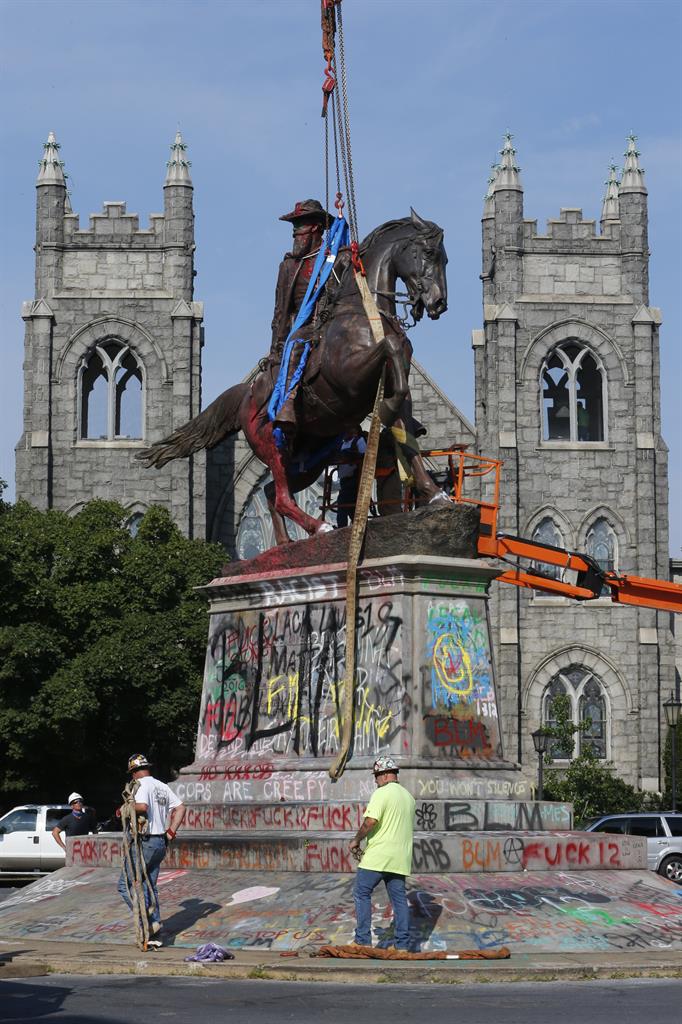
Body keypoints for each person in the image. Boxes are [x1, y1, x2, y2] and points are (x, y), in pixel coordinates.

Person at [268, 199, 333, 433]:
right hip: (306, 329)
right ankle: (288, 404)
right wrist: (276, 349)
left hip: (333, 325)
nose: (294, 232)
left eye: (299, 226)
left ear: (315, 227)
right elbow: (280, 312)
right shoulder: (288, 267)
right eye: (294, 227)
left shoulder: (334, 259)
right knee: (295, 347)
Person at [348, 754, 416, 950]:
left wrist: (356, 840)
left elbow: (370, 821)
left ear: (385, 775)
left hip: (378, 856)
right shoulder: (409, 797)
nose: (375, 780)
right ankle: (402, 945)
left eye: (376, 776)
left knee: (361, 893)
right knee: (399, 900)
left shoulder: (382, 793)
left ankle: (362, 941)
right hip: (400, 859)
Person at [117, 754, 185, 943]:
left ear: (133, 771)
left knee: (126, 885)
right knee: (150, 885)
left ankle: (145, 920)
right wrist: (171, 831)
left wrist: (123, 808)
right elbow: (180, 807)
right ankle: (154, 924)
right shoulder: (162, 786)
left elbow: (142, 807)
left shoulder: (141, 785)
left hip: (144, 841)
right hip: (160, 841)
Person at [336, 427, 367, 528]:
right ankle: (353, 526)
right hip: (343, 479)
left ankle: (342, 527)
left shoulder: (359, 441)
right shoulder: (342, 444)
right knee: (348, 506)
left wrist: (352, 455)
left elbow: (364, 456)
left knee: (342, 502)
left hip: (354, 478)